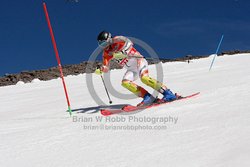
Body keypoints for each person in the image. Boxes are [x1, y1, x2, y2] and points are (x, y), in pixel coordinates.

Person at [95, 31, 177, 106]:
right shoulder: (106, 53)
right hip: (131, 69)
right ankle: (148, 98)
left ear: (109, 39)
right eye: (101, 44)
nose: (103, 46)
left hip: (139, 61)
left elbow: (129, 42)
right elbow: (106, 67)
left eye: (104, 43)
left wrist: (123, 52)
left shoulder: (117, 39)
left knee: (144, 78)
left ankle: (168, 94)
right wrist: (102, 69)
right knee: (125, 83)